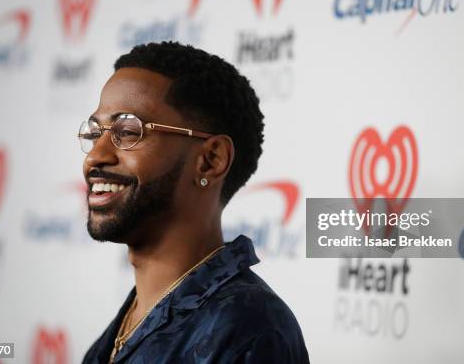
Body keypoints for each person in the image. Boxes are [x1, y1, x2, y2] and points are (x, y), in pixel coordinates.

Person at [79, 42, 309, 363]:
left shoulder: (249, 332)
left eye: (129, 131)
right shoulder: (122, 330)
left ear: (210, 160)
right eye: (95, 133)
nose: (95, 156)